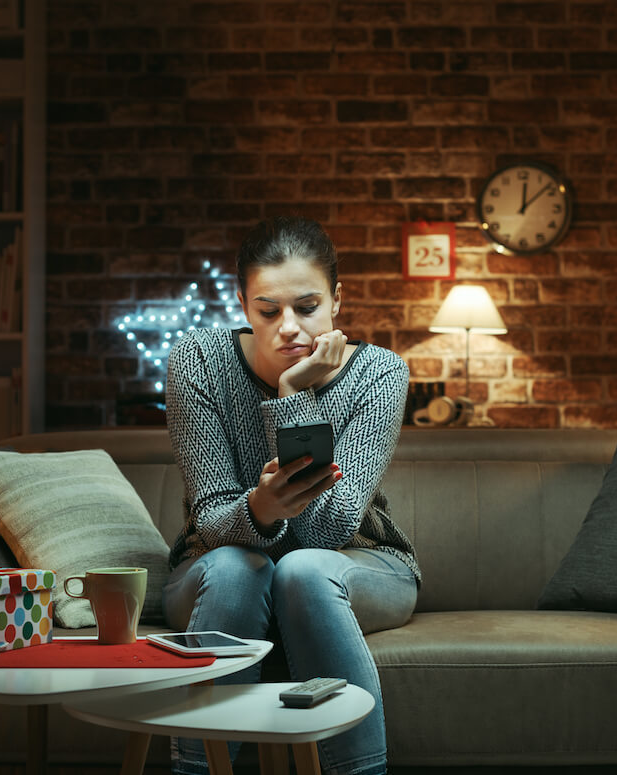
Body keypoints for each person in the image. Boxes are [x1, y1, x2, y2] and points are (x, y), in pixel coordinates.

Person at [163, 215, 420, 775]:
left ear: (336, 301)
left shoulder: (380, 373)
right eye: (268, 310)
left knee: (301, 569)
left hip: (358, 561)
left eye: (306, 307)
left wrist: (292, 395)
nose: (289, 328)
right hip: (217, 563)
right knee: (239, 568)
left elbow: (331, 530)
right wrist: (261, 510)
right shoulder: (197, 363)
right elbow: (209, 521)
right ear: (241, 303)